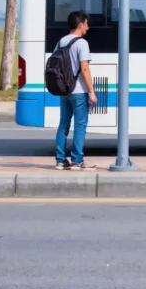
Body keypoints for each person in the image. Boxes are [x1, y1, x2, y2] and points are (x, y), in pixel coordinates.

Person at [55, 10, 98, 170]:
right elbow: (85, 69)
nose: (87, 27)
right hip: (79, 91)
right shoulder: (82, 43)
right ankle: (77, 160)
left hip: (64, 90)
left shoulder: (61, 42)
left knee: (63, 126)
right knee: (80, 126)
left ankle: (60, 160)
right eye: (86, 24)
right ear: (80, 24)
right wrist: (92, 92)